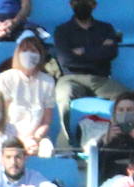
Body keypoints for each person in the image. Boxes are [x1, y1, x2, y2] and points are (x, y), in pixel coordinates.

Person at [52, 0, 124, 139]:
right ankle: (67, 140)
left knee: (127, 98)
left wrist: (82, 52)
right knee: (63, 95)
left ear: (94, 5)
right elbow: (66, 60)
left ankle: (121, 140)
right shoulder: (62, 30)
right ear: (71, 4)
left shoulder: (106, 28)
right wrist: (99, 49)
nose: (82, 3)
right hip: (71, 79)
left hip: (101, 80)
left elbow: (111, 53)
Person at [0, 33, 55, 156]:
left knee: (47, 149)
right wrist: (22, 140)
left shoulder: (48, 81)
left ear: (40, 55)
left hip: (35, 138)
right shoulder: (6, 78)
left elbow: (46, 120)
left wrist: (35, 138)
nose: (29, 54)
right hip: (8, 135)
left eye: (33, 51)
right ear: (18, 54)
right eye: (25, 50)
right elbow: (0, 117)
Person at [97, 91, 134, 179]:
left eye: (129, 110)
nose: (125, 113)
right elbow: (97, 164)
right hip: (114, 182)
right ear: (115, 113)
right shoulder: (107, 137)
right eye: (121, 110)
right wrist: (107, 141)